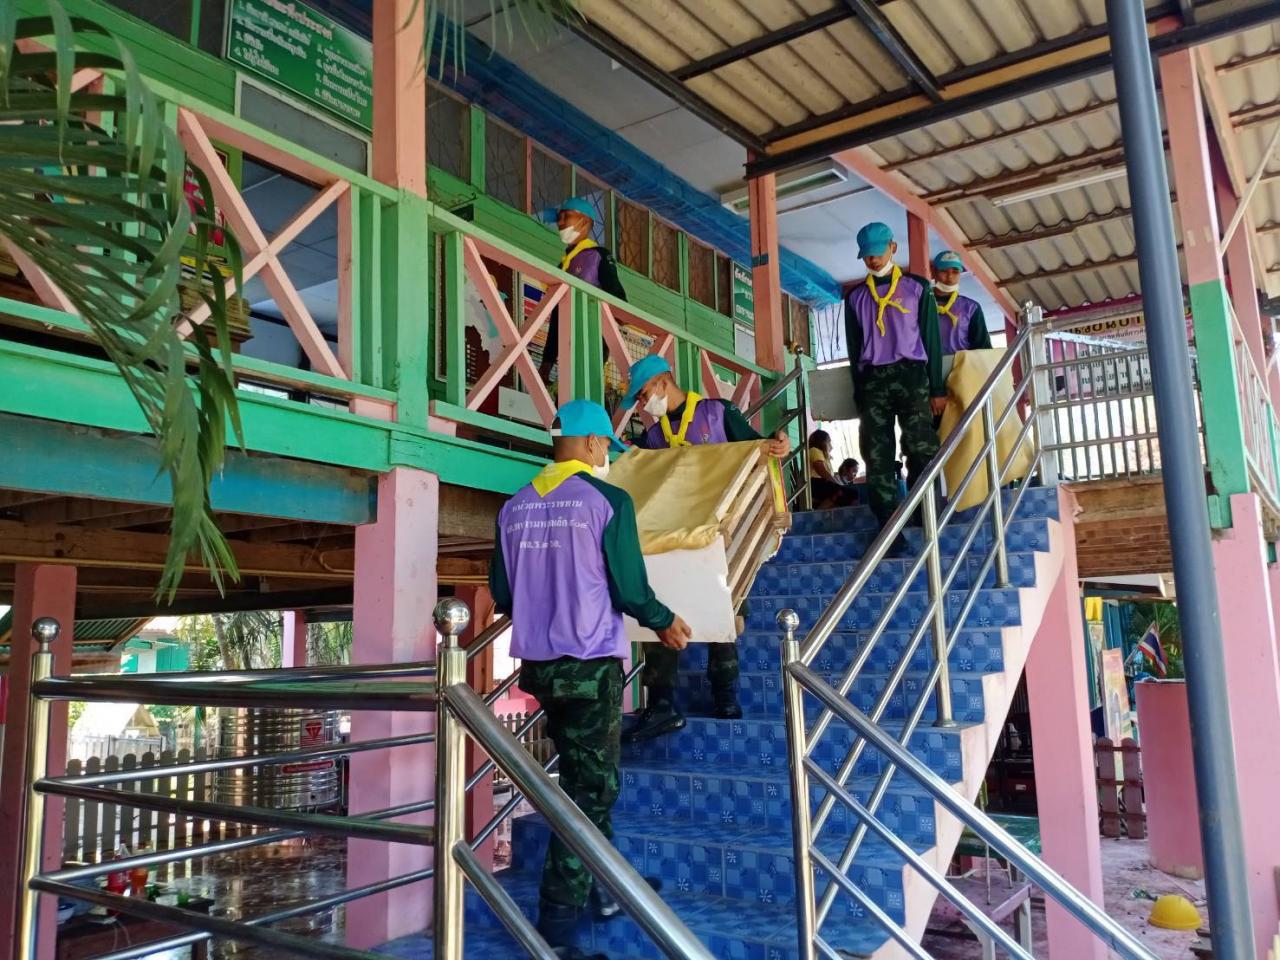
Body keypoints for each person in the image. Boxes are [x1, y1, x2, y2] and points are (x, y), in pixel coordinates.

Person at [490, 399, 691, 957]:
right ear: (593, 443)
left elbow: (503, 594)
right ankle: (555, 929)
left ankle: (607, 887)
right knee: (589, 794)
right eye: (606, 445)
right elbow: (629, 588)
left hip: (540, 667)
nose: (607, 454)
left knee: (584, 777)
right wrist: (663, 620)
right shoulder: (607, 501)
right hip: (590, 665)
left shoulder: (513, 507)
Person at [619, 354, 790, 740]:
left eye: (644, 394)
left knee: (722, 612)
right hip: (673, 538)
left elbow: (757, 448)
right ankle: (661, 701)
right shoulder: (654, 437)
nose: (644, 404)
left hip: (720, 533)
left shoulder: (717, 413)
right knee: (661, 609)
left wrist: (779, 443)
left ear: (662, 382)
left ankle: (725, 694)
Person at [844, 222, 946, 540]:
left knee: (921, 448)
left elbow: (931, 339)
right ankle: (889, 528)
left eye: (878, 252)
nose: (873, 260)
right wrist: (859, 391)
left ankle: (925, 515)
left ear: (893, 248)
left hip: (911, 374)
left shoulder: (917, 288)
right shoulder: (855, 297)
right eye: (867, 255)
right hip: (873, 380)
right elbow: (854, 349)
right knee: (877, 455)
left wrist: (937, 388)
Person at [538, 197, 626, 384]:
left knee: (586, 386)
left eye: (567, 216)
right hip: (567, 343)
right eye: (559, 218)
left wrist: (618, 319)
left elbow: (618, 299)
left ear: (584, 221)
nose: (561, 223)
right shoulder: (563, 265)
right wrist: (547, 362)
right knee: (565, 390)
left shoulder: (598, 255)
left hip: (593, 340)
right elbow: (556, 317)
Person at [931, 250, 992, 354]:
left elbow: (982, 348)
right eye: (944, 271)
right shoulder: (921, 304)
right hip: (927, 363)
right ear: (934, 272)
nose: (950, 277)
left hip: (961, 363)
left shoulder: (971, 308)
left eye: (955, 272)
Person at [807, 429, 857, 509]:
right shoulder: (815, 451)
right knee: (851, 493)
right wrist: (836, 484)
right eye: (829, 442)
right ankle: (817, 512)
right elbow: (821, 471)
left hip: (820, 484)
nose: (831, 446)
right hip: (814, 483)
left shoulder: (823, 455)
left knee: (849, 495)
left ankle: (820, 511)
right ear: (822, 442)